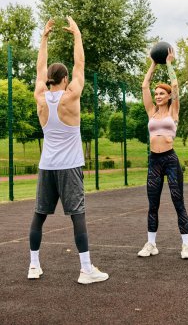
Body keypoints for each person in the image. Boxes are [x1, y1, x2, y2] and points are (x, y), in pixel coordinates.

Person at [28, 16, 109, 284]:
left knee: (39, 216)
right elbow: (80, 64)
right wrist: (77, 35)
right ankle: (86, 270)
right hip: (70, 167)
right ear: (64, 79)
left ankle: (33, 265)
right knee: (78, 216)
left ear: (50, 79)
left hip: (47, 166)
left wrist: (44, 38)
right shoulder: (72, 95)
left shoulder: (40, 96)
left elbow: (39, 69)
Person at [138, 47, 188, 259]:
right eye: (157, 94)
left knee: (178, 201)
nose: (158, 96)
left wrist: (169, 63)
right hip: (154, 161)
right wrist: (153, 63)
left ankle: (185, 245)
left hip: (170, 160)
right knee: (153, 204)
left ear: (169, 96)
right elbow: (144, 85)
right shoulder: (151, 112)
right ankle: (151, 244)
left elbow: (177, 86)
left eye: (162, 93)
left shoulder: (174, 111)